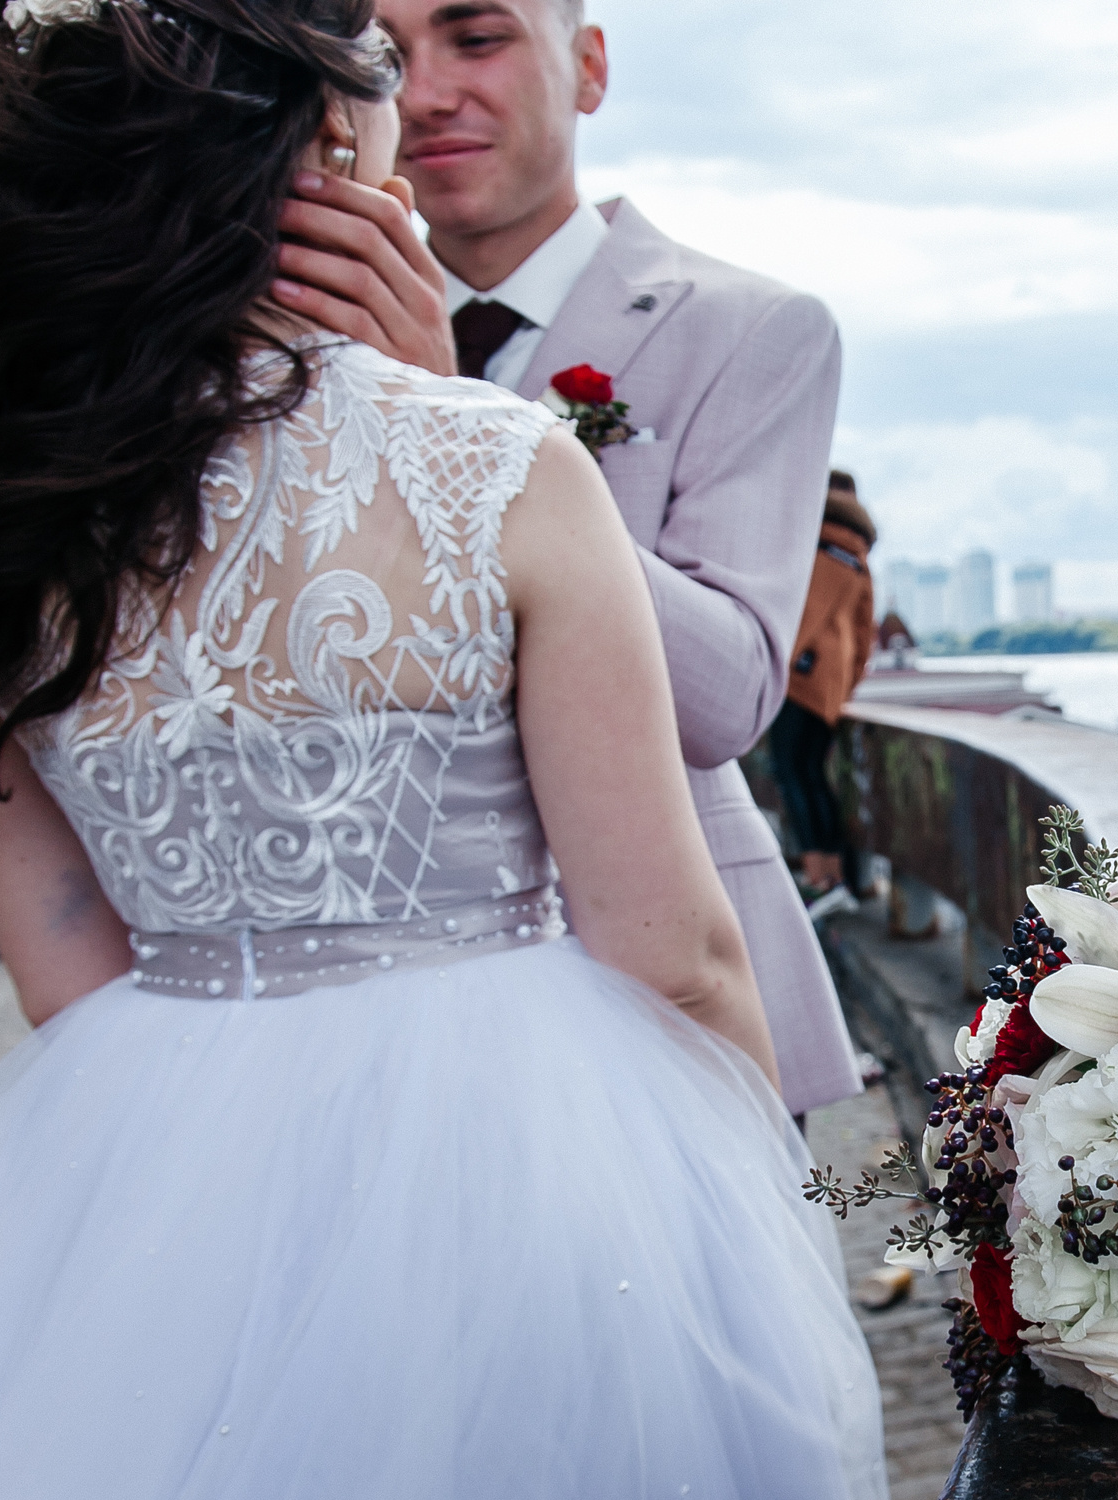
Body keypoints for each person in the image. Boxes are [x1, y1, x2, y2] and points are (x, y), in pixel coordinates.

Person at [0, 0, 887, 1500]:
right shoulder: (494, 460)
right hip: (546, 1167)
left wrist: (211, 1156)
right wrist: (742, 1205)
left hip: (153, 1152)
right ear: (323, 156)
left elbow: (63, 948)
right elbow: (672, 946)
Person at [278, 0, 865, 1120]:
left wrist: (457, 425)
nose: (428, 91)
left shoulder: (750, 328)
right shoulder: (283, 337)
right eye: (385, 57)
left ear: (588, 66)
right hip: (375, 988)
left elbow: (731, 694)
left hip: (670, 985)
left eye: (477, 38)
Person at [772, 471, 879, 921]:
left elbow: (804, 614)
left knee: (792, 772)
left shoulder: (820, 543)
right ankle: (835, 876)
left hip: (802, 676)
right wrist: (844, 686)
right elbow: (864, 630)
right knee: (812, 773)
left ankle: (822, 877)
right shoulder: (856, 554)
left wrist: (782, 663)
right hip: (829, 683)